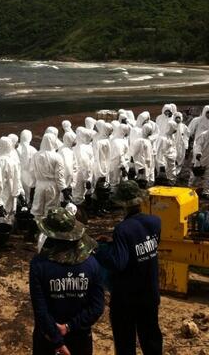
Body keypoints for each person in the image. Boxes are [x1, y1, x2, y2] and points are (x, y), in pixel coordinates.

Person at [95, 181, 163, 355]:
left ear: (122, 204)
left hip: (127, 298)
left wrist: (97, 250)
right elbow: (140, 244)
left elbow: (118, 263)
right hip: (150, 293)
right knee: (151, 338)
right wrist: (116, 243)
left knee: (125, 341)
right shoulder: (155, 222)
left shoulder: (122, 229)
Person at [30, 208, 103, 355]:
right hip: (80, 337)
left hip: (48, 338)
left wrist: (57, 341)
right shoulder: (91, 264)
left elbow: (41, 310)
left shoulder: (39, 265)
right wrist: (69, 326)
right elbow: (97, 307)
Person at [30, 133, 67, 219]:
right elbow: (59, 176)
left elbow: (32, 172)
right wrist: (63, 189)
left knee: (37, 209)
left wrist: (32, 185)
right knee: (50, 210)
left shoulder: (36, 155)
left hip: (39, 185)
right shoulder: (57, 157)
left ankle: (37, 228)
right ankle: (47, 230)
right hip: (52, 186)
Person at [0, 137, 23, 225]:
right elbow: (16, 180)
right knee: (6, 214)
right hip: (7, 191)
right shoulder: (11, 162)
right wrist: (17, 194)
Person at [71, 127, 94, 206]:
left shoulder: (75, 146)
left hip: (76, 173)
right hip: (81, 174)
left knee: (77, 194)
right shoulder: (83, 148)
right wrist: (87, 179)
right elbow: (85, 165)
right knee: (80, 195)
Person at [130, 123, 155, 188]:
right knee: (141, 182)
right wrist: (139, 166)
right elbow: (134, 154)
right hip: (142, 166)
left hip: (147, 165)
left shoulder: (148, 140)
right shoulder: (140, 141)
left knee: (145, 182)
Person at [109, 123, 130, 191]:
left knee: (114, 183)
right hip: (118, 165)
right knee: (116, 184)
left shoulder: (114, 139)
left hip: (114, 164)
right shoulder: (119, 142)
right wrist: (123, 167)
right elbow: (120, 155)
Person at [18, 130, 38, 200]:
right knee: (29, 196)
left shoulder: (16, 149)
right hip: (30, 176)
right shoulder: (33, 150)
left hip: (18, 176)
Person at [58, 132, 77, 201]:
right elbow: (68, 168)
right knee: (64, 197)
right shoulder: (64, 151)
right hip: (65, 179)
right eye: (74, 139)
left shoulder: (69, 150)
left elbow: (74, 166)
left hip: (69, 180)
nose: (75, 141)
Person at [171, 112, 190, 181]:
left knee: (180, 158)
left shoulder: (184, 127)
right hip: (173, 145)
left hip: (181, 146)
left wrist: (186, 145)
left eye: (179, 118)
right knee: (173, 159)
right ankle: (172, 174)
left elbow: (186, 136)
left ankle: (177, 174)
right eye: (176, 118)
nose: (178, 119)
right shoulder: (172, 125)